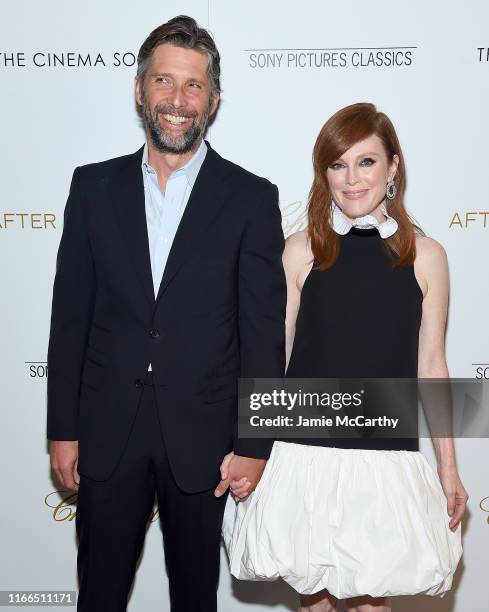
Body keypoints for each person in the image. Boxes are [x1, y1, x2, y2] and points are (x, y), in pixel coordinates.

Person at [46, 15, 286, 612]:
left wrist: (256, 442)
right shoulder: (91, 188)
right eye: (163, 81)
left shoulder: (251, 197)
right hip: (105, 432)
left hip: (204, 443)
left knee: (194, 601)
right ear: (139, 89)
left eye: (193, 86)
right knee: (98, 596)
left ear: (214, 99)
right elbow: (70, 317)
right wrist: (63, 427)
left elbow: (261, 332)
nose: (177, 101)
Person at [223, 103, 467, 612]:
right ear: (324, 173)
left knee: (371, 605)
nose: (352, 179)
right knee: (314, 605)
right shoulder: (300, 250)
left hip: (383, 462)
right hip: (304, 458)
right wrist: (252, 450)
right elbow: (277, 362)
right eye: (338, 164)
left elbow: (432, 367)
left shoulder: (427, 257)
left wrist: (448, 468)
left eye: (367, 162)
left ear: (393, 166)